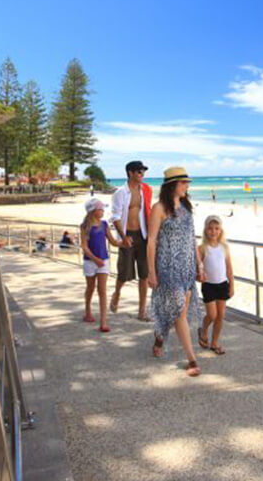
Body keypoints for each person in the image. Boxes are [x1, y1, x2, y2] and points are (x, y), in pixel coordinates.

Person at [147, 166, 204, 377]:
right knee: (180, 312)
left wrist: (199, 264)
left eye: (187, 183)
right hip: (167, 267)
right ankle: (191, 359)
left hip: (187, 267)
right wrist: (151, 272)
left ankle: (159, 337)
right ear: (172, 185)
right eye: (183, 182)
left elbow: (192, 238)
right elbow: (151, 241)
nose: (187, 186)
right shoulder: (159, 208)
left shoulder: (187, 207)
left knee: (176, 311)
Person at [109, 161, 153, 321]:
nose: (142, 174)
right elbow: (115, 217)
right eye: (139, 172)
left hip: (142, 235)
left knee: (144, 274)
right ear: (130, 173)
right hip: (127, 234)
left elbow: (149, 211)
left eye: (143, 172)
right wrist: (123, 236)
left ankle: (142, 311)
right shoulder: (120, 192)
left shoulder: (145, 190)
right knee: (124, 272)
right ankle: (117, 293)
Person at [81, 198, 124, 332]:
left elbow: (112, 242)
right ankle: (87, 310)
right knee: (90, 288)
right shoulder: (84, 226)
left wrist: (124, 242)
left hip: (104, 261)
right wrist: (95, 259)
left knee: (102, 290)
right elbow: (84, 247)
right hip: (90, 261)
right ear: (93, 211)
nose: (103, 211)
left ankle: (103, 322)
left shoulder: (104, 224)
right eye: (100, 209)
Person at [197, 216, 234, 355]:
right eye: (210, 229)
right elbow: (197, 270)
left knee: (220, 316)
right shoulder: (201, 248)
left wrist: (232, 285)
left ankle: (214, 343)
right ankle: (203, 330)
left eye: (216, 229)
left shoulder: (224, 247)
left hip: (222, 284)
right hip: (209, 286)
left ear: (221, 231)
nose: (213, 231)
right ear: (206, 230)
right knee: (212, 315)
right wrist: (199, 276)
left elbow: (229, 268)